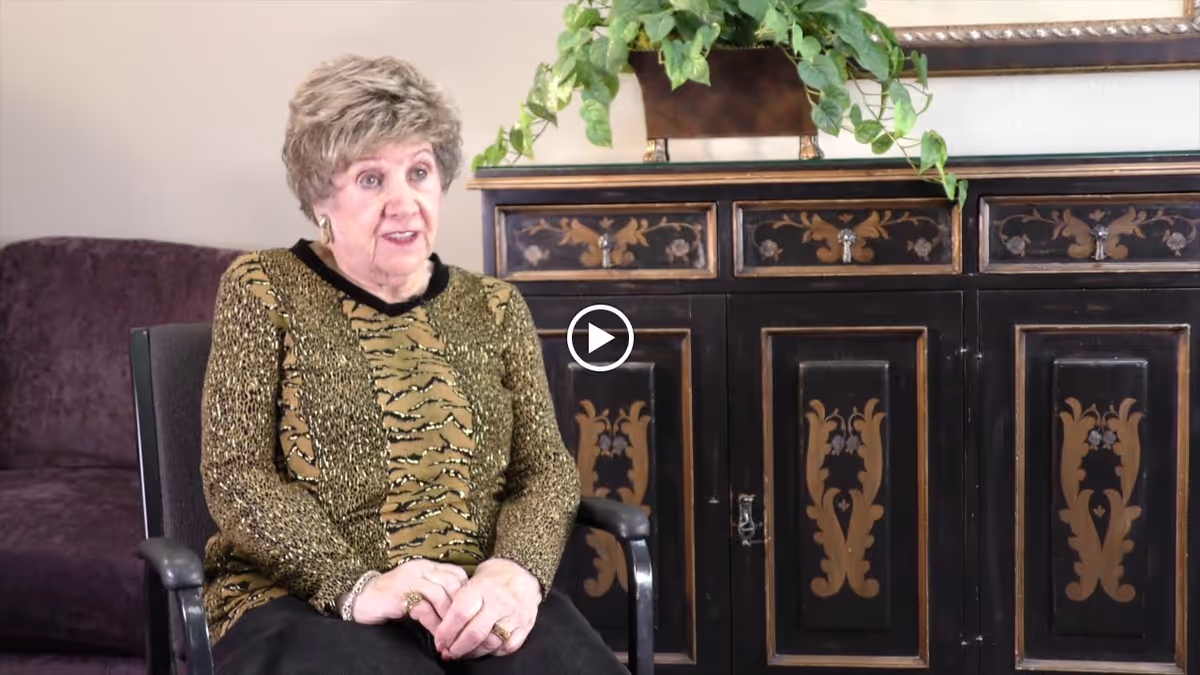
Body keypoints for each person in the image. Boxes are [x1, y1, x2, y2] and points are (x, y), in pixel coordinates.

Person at [198, 54, 628, 675]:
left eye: (419, 172)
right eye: (371, 179)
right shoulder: (264, 287)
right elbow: (238, 474)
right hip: (306, 600)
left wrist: (516, 572)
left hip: (472, 596)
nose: (403, 203)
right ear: (322, 197)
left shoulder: (495, 306)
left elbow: (545, 472)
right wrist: (357, 584)